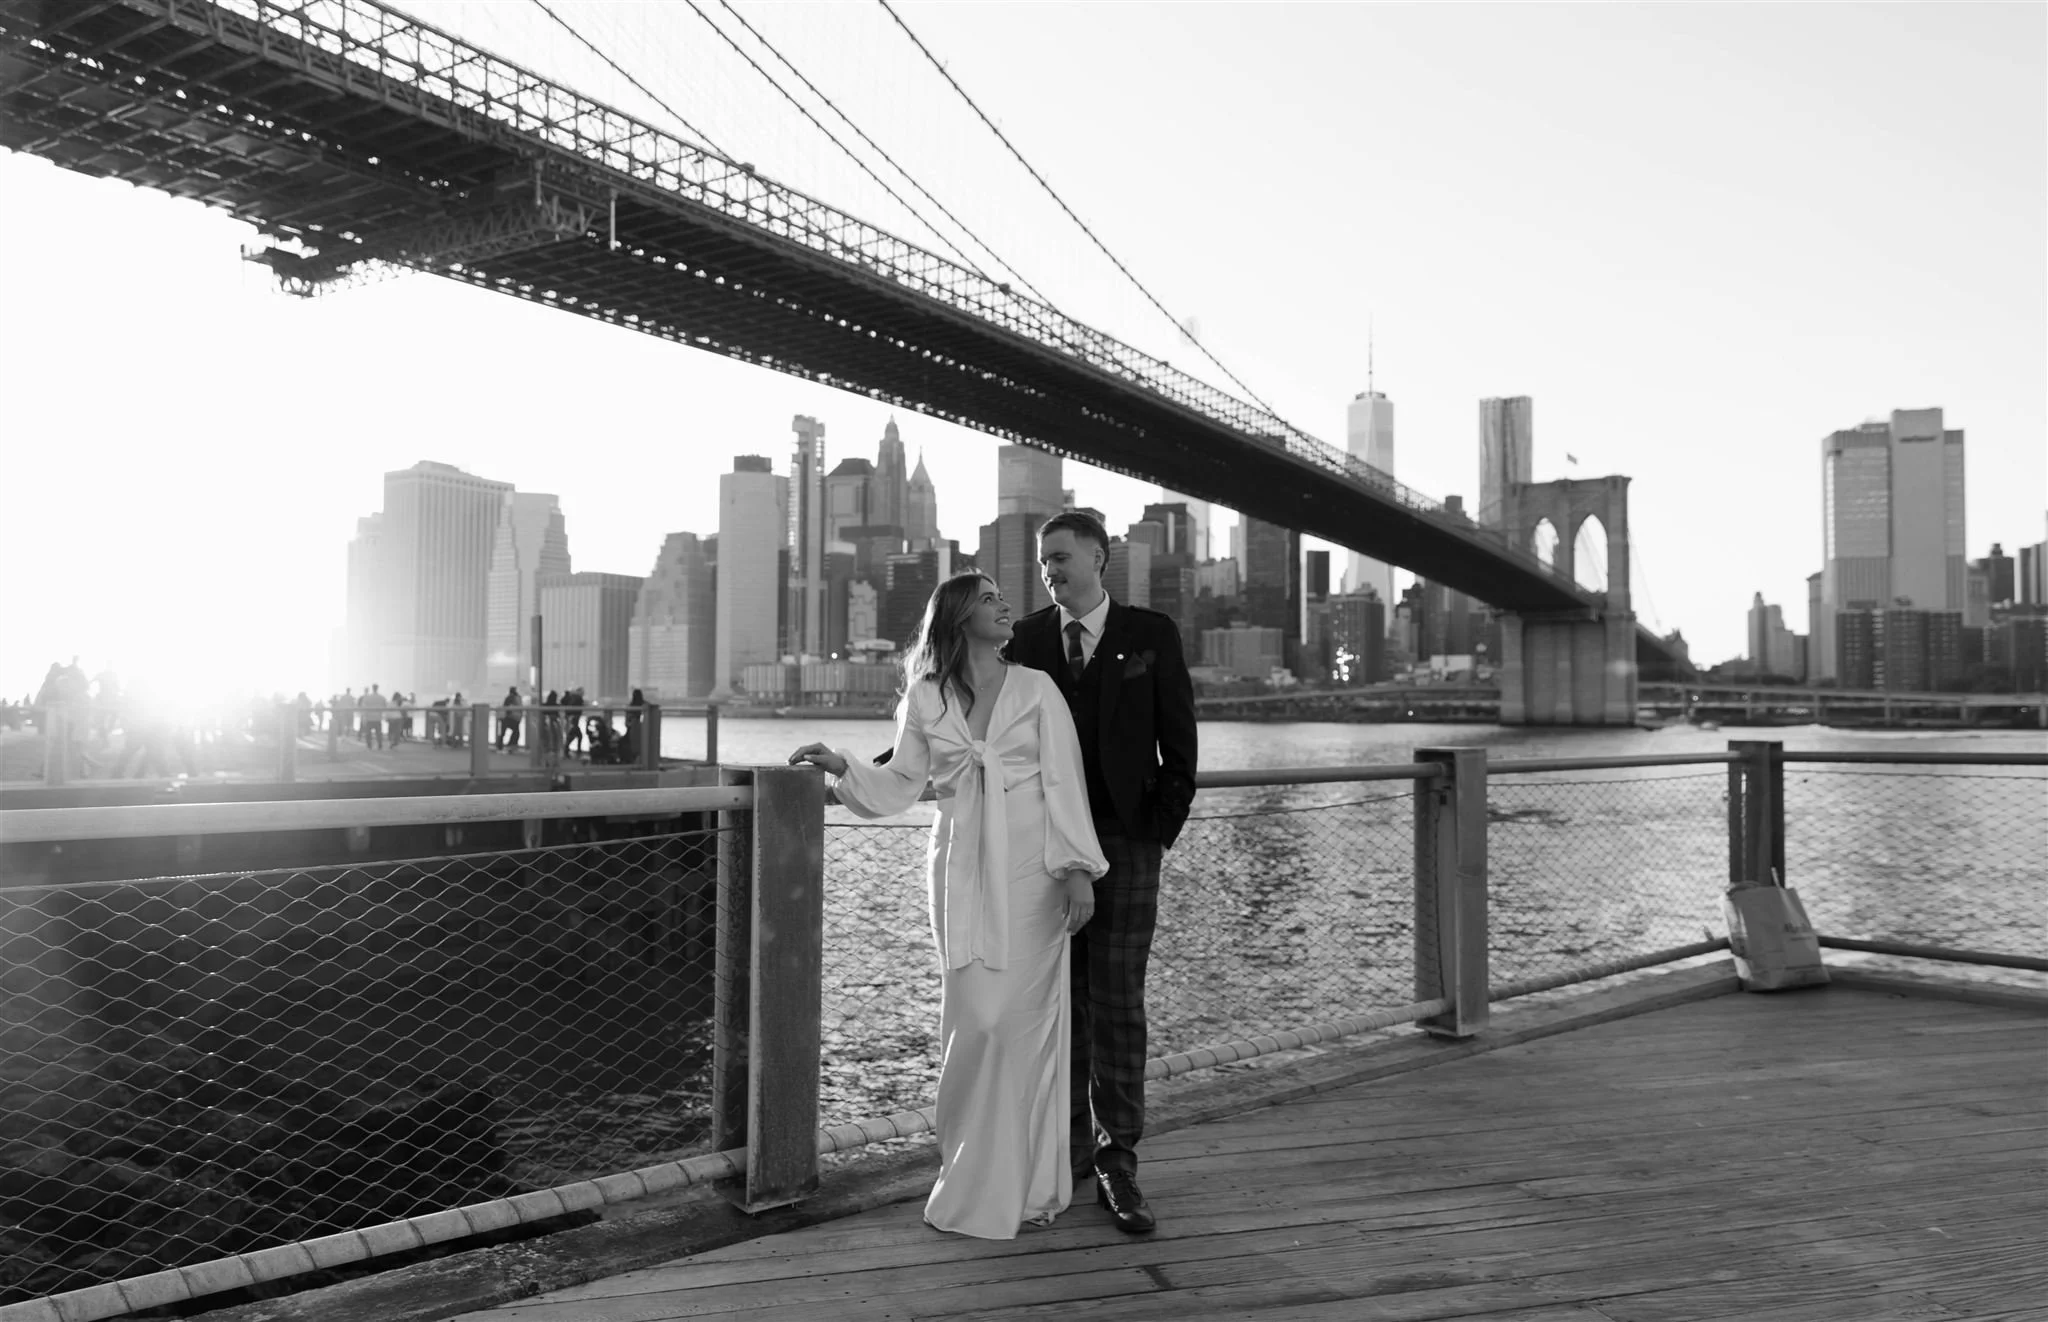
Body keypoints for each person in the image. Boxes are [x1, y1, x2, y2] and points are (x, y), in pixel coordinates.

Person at [789, 571, 1108, 1240]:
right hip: (959, 870)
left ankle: (1027, 1184)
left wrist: (1078, 870)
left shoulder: (1037, 689)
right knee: (974, 1022)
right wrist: (843, 766)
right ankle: (967, 1176)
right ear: (961, 616)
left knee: (1020, 1024)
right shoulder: (927, 696)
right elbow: (903, 782)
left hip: (1034, 875)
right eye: (991, 599)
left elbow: (1063, 783)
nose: (1006, 606)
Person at [1006, 510, 1197, 1234]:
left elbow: (1180, 743)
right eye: (1042, 559)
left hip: (1126, 843)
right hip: (1045, 849)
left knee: (1117, 1001)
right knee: (1058, 1001)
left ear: (1099, 557)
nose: (1049, 569)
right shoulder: (1023, 640)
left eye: (1060, 556)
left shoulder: (1152, 634)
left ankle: (1119, 1162)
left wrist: (1156, 829)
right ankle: (1068, 1155)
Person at [495, 687, 521, 752]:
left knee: (503, 732)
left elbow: (505, 707)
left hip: (508, 718)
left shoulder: (509, 698)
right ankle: (511, 745)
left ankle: (501, 745)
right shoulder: (517, 697)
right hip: (515, 718)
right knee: (516, 732)